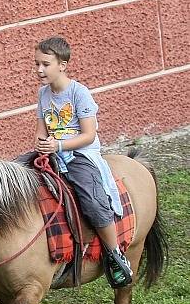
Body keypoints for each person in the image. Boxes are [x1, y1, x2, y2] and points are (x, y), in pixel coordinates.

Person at [28, 36, 132, 288]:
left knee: (92, 200)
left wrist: (59, 145)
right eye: (37, 64)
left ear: (62, 65)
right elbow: (41, 128)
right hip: (51, 152)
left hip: (79, 155)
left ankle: (114, 253)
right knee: (16, 176)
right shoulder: (43, 94)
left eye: (45, 64)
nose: (39, 70)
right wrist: (41, 144)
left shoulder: (79, 93)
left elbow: (89, 135)